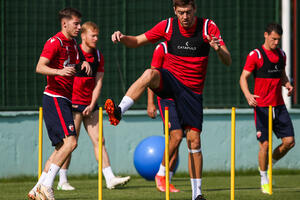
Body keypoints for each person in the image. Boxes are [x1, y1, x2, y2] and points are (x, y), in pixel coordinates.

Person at [104, 1, 232, 199]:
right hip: (171, 85)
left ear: (194, 9)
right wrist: (122, 38)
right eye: (181, 12)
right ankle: (119, 111)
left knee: (194, 141)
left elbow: (228, 60)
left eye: (188, 12)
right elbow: (137, 41)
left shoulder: (208, 27)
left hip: (192, 93)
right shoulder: (168, 26)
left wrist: (218, 49)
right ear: (175, 11)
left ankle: (197, 194)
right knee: (150, 74)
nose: (185, 17)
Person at [56, 21, 130, 191]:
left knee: (100, 140)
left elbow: (98, 82)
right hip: (72, 104)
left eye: (97, 36)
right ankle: (62, 180)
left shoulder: (98, 56)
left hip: (91, 105)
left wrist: (91, 104)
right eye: (93, 35)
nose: (96, 39)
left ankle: (110, 178)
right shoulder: (73, 53)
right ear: (83, 36)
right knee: (69, 143)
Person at [28, 8, 91, 200]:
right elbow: (39, 67)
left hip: (65, 98)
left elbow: (76, 63)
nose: (79, 27)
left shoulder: (72, 44)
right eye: (76, 23)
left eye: (80, 24)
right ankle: (47, 187)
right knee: (71, 142)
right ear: (65, 24)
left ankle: (37, 188)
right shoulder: (54, 42)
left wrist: (84, 64)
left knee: (60, 147)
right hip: (54, 97)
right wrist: (59, 72)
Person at [239, 23, 295, 194]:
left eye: (278, 39)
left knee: (289, 142)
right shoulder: (255, 55)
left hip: (279, 106)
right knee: (264, 144)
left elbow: (282, 74)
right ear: (265, 35)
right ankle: (264, 177)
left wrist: (287, 84)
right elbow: (243, 78)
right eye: (273, 39)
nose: (276, 42)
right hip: (262, 107)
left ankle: (269, 161)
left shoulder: (282, 55)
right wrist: (248, 95)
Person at [147, 41, 182, 193]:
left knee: (177, 142)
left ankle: (167, 180)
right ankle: (160, 175)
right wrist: (150, 102)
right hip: (166, 99)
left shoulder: (188, 46)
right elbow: (151, 76)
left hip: (184, 99)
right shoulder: (162, 48)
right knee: (176, 136)